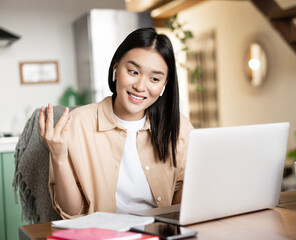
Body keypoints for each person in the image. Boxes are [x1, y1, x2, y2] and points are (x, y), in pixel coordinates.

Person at [38, 28, 194, 219]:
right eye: (133, 71)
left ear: (164, 85)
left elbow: (182, 209)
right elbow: (72, 213)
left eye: (154, 78)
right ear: (116, 68)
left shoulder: (180, 128)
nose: (140, 86)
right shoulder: (78, 124)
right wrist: (59, 157)